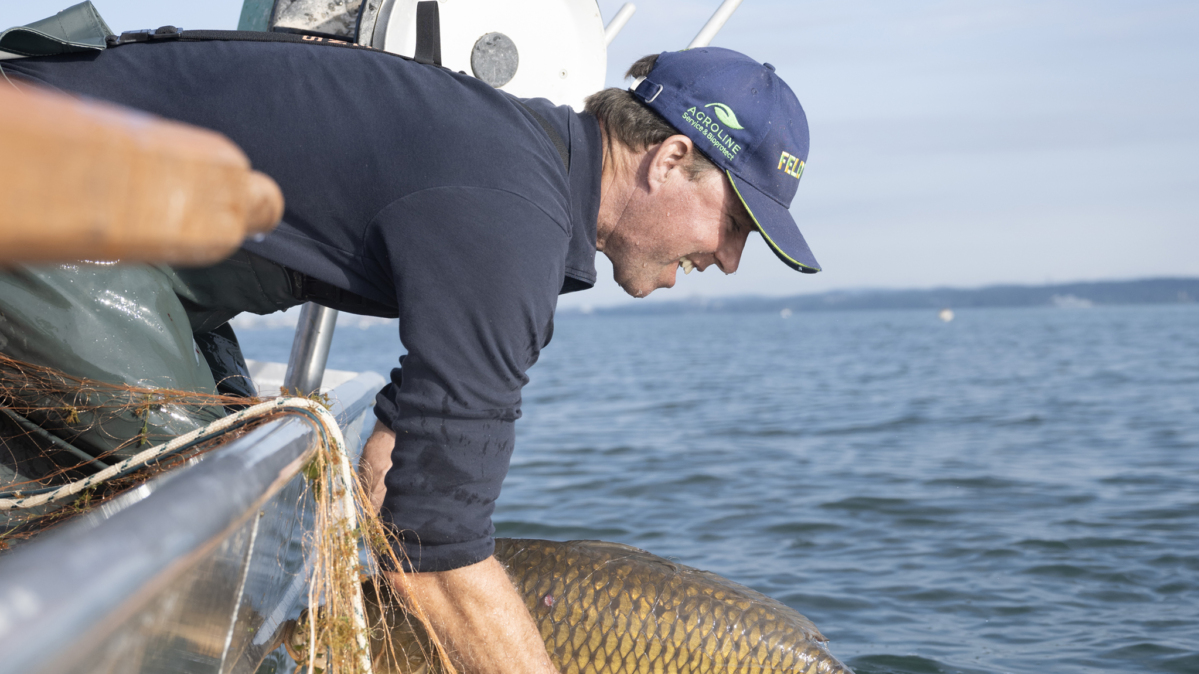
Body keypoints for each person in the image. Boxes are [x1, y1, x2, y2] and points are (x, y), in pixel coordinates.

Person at [1, 32, 818, 674]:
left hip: (121, 232)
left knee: (232, 479)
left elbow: (410, 463)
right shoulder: (511, 215)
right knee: (212, 540)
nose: (730, 258)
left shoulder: (523, 172)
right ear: (671, 159)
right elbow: (435, 551)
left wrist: (400, 456)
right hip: (40, 190)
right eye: (737, 224)